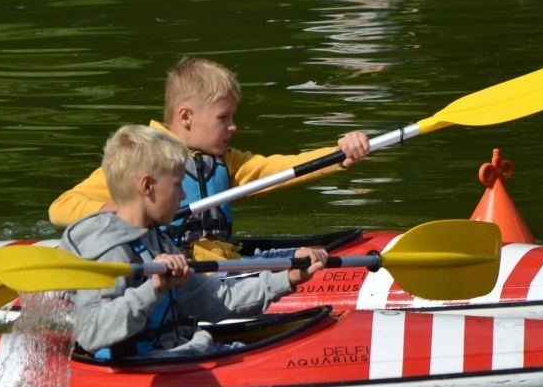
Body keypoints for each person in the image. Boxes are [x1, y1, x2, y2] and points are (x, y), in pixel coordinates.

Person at [47, 57, 374, 256]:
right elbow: (61, 207)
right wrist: (116, 211)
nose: (233, 126)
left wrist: (338, 155)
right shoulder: (142, 158)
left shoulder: (227, 161)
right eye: (223, 117)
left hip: (224, 261)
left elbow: (281, 169)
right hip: (177, 267)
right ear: (186, 117)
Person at [61, 125, 330, 359]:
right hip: (143, 365)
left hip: (180, 352)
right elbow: (91, 334)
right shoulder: (110, 251)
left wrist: (288, 278)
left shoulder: (159, 242)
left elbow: (215, 300)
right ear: (147, 186)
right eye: (177, 185)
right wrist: (153, 289)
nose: (182, 197)